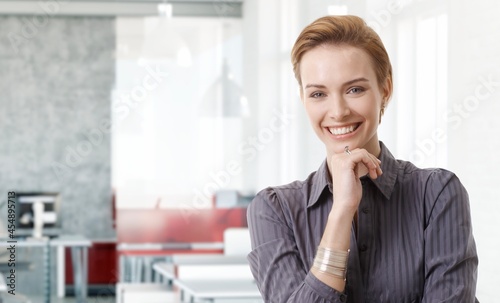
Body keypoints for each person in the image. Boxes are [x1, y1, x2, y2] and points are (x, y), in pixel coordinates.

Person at [246, 15, 478, 303]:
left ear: (385, 89)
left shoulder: (437, 194)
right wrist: (342, 210)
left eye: (354, 89)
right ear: (304, 100)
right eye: (318, 93)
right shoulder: (273, 210)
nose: (338, 111)